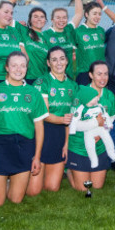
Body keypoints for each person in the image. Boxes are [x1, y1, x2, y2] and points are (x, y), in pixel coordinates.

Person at [0, 51, 47, 207]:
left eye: (22, 66)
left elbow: (39, 126)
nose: (18, 69)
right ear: (7, 67)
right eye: (14, 65)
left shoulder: (34, 93)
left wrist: (37, 157)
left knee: (16, 199)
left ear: (27, 68)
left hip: (24, 146)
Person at [27, 46, 77, 196]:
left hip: (60, 134)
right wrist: (62, 119)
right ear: (48, 63)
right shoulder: (42, 82)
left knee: (52, 187)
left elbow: (71, 118)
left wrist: (67, 143)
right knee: (33, 191)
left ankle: (68, 171)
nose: (59, 63)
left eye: (62, 59)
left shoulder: (73, 85)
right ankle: (18, 177)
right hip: (42, 132)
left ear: (67, 61)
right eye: (54, 60)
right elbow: (44, 114)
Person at [66, 60, 115, 191]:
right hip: (79, 145)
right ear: (91, 75)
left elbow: (111, 120)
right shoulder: (81, 94)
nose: (103, 78)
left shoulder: (109, 95)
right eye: (99, 74)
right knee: (83, 188)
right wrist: (95, 123)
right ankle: (69, 170)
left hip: (99, 145)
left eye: (106, 74)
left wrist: (101, 133)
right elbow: (74, 124)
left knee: (97, 186)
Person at [42, 0, 84, 79]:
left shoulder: (69, 29)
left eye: (64, 17)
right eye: (58, 18)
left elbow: (79, 13)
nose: (61, 20)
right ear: (52, 19)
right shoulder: (45, 35)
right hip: (53, 78)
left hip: (71, 77)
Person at [74, 2, 106, 86]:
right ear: (87, 14)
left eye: (99, 14)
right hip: (84, 73)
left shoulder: (101, 31)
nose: (97, 17)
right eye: (94, 13)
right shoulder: (78, 31)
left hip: (100, 73)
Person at [22, 7, 50, 84]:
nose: (39, 19)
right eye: (35, 16)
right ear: (30, 20)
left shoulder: (47, 38)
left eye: (42, 17)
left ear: (45, 20)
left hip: (42, 80)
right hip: (26, 78)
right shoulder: (24, 32)